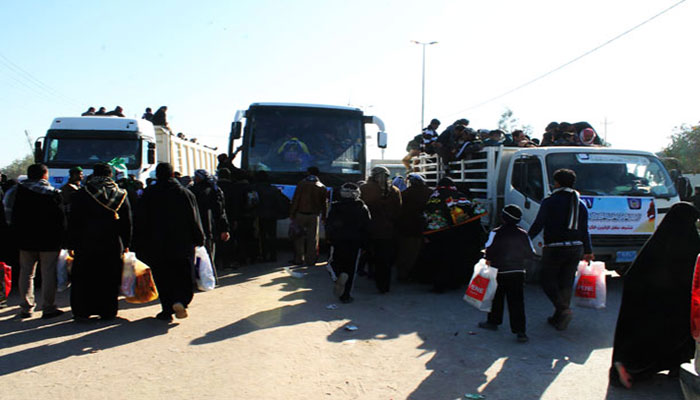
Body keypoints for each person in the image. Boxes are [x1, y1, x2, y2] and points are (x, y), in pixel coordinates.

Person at [609, 202, 700, 388]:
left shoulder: (657, 241)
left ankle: (635, 367)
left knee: (646, 332)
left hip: (651, 300)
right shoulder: (692, 241)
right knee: (679, 334)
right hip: (680, 301)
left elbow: (635, 274)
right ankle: (675, 365)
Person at [134, 163, 205, 321]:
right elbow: (194, 218)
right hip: (182, 243)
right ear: (173, 175)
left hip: (156, 244)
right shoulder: (184, 193)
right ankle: (181, 301)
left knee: (162, 276)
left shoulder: (149, 193)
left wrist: (138, 242)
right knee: (183, 274)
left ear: (157, 176)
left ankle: (167, 309)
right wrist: (199, 237)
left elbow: (140, 220)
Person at [528, 168, 593, 331]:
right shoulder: (580, 202)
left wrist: (525, 238)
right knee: (566, 282)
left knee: (546, 280)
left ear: (557, 183)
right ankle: (559, 317)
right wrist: (588, 250)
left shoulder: (550, 200)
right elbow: (585, 229)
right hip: (576, 248)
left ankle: (563, 309)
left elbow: (539, 223)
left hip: (555, 247)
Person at [67, 163, 131, 320]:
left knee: (84, 278)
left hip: (85, 243)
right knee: (109, 277)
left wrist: (71, 243)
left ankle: (82, 311)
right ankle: (107, 311)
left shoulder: (82, 193)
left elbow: (72, 220)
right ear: (110, 175)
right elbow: (127, 222)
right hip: (112, 243)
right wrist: (126, 243)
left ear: (93, 175)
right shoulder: (120, 194)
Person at [10, 163, 65, 319]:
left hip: (25, 239)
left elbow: (10, 214)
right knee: (48, 273)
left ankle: (26, 308)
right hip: (49, 241)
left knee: (26, 273)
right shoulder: (53, 193)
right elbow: (61, 220)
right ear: (44, 175)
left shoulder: (17, 191)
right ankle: (48, 308)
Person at [477, 205, 535, 343]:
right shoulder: (523, 233)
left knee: (496, 297)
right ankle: (521, 332)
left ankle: (493, 322)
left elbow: (488, 250)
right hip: (517, 272)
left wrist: (488, 259)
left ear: (503, 218)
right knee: (517, 302)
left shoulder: (496, 232)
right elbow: (530, 253)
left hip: (499, 271)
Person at [326, 182, 371, 303]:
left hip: (338, 241)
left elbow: (329, 225)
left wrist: (330, 239)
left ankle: (337, 276)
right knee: (351, 268)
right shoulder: (362, 207)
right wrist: (365, 244)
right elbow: (367, 227)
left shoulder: (335, 207)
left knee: (335, 262)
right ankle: (346, 295)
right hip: (355, 242)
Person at [360, 166, 402, 293]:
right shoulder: (395, 190)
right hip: (387, 231)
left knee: (369, 254)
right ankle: (384, 285)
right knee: (384, 259)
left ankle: (371, 274)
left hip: (369, 230)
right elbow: (398, 212)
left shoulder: (364, 189)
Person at [189, 169, 230, 276]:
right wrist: (224, 228)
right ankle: (210, 277)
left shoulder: (191, 191)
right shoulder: (214, 190)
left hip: (195, 228)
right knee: (209, 254)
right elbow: (221, 211)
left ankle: (199, 278)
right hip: (210, 228)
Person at [395, 173, 433, 281]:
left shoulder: (404, 193)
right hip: (424, 226)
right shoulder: (429, 192)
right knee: (418, 251)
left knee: (405, 251)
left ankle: (404, 273)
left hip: (406, 227)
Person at [290, 166, 328, 266]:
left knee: (298, 237)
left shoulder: (301, 184)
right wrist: (324, 216)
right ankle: (311, 260)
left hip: (300, 214)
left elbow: (296, 200)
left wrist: (292, 213)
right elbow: (324, 204)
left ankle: (299, 259)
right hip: (314, 216)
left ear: (308, 172)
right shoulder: (322, 186)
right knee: (313, 239)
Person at [254, 170, 290, 262]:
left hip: (260, 215)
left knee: (262, 236)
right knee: (272, 236)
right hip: (272, 216)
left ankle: (264, 255)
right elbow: (285, 200)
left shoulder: (255, 188)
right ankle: (273, 255)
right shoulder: (273, 189)